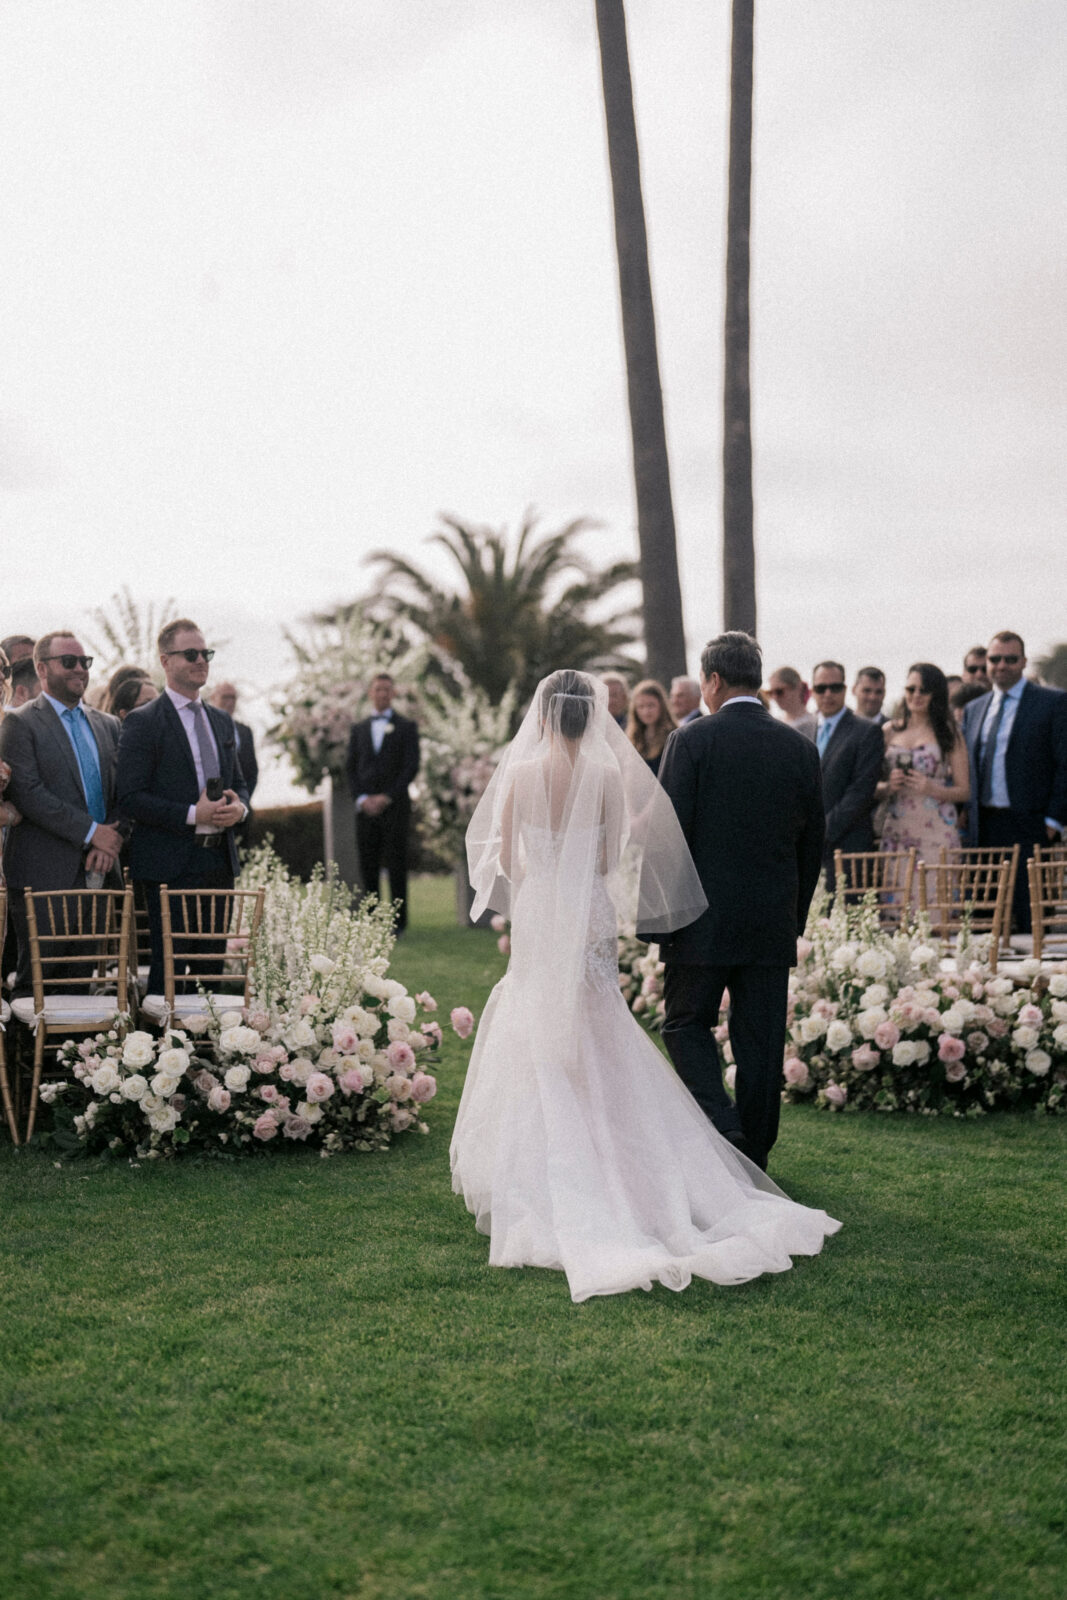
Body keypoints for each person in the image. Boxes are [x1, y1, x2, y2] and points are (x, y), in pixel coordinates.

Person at [452, 667, 839, 1303]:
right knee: (600, 1028)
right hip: (592, 915)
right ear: (591, 717)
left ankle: (544, 1169)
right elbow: (608, 860)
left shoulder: (519, 775)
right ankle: (636, 1160)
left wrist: (543, 875)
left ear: (544, 717)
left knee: (539, 1027)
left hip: (544, 911)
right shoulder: (606, 774)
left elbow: (507, 857)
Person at [655, 634, 826, 1171]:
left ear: (712, 681)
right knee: (761, 1048)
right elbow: (812, 844)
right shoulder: (800, 748)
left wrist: (663, 922)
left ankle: (724, 1124)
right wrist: (791, 922)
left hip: (700, 922)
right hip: (770, 925)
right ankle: (755, 1156)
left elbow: (668, 836)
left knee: (684, 1025)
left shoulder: (691, 741)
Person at [116, 619, 249, 994]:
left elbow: (239, 785)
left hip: (218, 862)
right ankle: (161, 1051)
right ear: (165, 660)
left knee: (212, 970)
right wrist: (195, 815)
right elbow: (130, 797)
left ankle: (212, 1051)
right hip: (167, 866)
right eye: (190, 654)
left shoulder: (222, 722)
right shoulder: (144, 722)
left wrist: (240, 810)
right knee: (168, 974)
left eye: (205, 653)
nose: (200, 661)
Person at [0, 631, 126, 995]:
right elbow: (28, 792)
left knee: (82, 981)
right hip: (43, 873)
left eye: (84, 662)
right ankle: (32, 1053)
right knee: (38, 982)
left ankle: (76, 1054)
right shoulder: (20, 723)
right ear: (42, 668)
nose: (79, 669)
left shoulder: (108, 725)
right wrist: (91, 832)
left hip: (100, 870)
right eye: (68, 661)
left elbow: (123, 793)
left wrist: (108, 842)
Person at [961, 631, 1067, 932]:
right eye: (995, 659)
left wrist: (1053, 821)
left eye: (1010, 659)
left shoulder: (1052, 703)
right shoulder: (975, 709)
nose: (1001, 665)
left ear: (1022, 661)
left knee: (1031, 920)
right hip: (986, 826)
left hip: (1032, 825)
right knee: (986, 921)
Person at [876, 664, 970, 894]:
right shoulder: (888, 731)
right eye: (911, 689)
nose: (916, 695)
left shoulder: (949, 733)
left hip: (937, 828)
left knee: (937, 905)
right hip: (897, 828)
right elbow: (869, 784)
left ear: (935, 694)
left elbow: (965, 790)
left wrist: (932, 788)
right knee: (898, 907)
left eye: (924, 690)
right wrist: (889, 785)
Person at [345, 673, 419, 934]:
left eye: (387, 689)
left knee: (397, 864)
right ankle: (372, 920)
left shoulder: (407, 727)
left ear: (393, 693)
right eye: (378, 689)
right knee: (368, 864)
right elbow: (350, 768)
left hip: (395, 807)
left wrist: (386, 796)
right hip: (365, 810)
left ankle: (399, 922)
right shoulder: (359, 729)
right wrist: (363, 799)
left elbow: (411, 767)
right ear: (370, 693)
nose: (383, 694)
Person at [812, 660, 885, 891]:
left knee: (847, 922)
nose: (828, 694)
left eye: (835, 687)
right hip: (808, 850)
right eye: (821, 688)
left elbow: (861, 792)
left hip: (847, 845)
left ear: (846, 689)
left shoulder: (866, 731)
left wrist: (822, 831)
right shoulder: (802, 730)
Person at [625, 678, 676, 777]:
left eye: (651, 705)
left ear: (662, 706)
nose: (646, 711)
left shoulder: (672, 736)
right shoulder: (632, 737)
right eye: (641, 706)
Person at [766, 667, 816, 739]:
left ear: (798, 688)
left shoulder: (814, 724)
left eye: (779, 692)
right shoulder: (775, 723)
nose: (774, 697)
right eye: (770, 693)